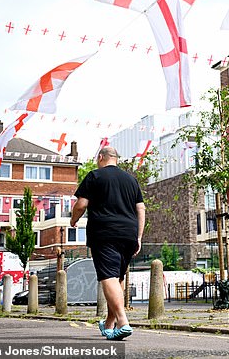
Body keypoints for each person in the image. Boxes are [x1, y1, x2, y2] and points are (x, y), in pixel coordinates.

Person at [70, 146, 145, 340]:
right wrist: (138, 236)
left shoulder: (95, 176)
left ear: (101, 157)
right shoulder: (131, 180)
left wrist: (73, 220)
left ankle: (123, 321)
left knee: (108, 277)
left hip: (105, 233)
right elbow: (141, 209)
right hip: (129, 234)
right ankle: (110, 324)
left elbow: (81, 204)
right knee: (117, 278)